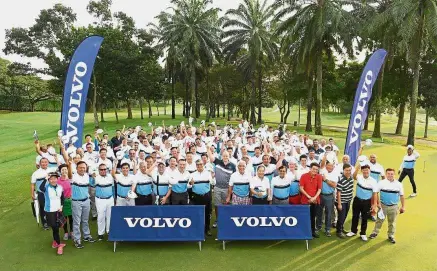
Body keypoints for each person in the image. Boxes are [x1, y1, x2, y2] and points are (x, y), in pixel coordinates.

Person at [369, 168, 406, 244]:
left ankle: (391, 235)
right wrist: (376, 204)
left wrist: (403, 206)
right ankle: (375, 232)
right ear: (386, 174)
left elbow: (402, 196)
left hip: (394, 206)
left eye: (392, 174)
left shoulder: (399, 184)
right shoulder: (381, 183)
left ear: (394, 175)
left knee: (392, 222)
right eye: (388, 174)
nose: (390, 175)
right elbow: (375, 193)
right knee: (379, 220)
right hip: (382, 206)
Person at [346, 163, 378, 241]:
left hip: (366, 202)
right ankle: (353, 231)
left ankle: (363, 233)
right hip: (357, 200)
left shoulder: (373, 181)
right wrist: (358, 167)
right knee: (355, 216)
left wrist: (374, 205)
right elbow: (353, 176)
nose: (365, 171)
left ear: (369, 170)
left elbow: (375, 194)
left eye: (367, 170)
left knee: (364, 218)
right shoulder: (359, 177)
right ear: (362, 171)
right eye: (364, 170)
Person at [68, 160, 96, 248]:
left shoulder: (87, 176)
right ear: (76, 169)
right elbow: (69, 175)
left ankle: (86, 236)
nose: (82, 169)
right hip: (76, 201)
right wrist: (69, 165)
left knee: (85, 220)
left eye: (84, 167)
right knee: (77, 221)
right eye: (80, 167)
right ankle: (77, 239)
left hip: (86, 201)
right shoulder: (73, 177)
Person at [207, 147, 236, 228]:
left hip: (227, 188)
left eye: (227, 156)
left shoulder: (233, 166)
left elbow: (234, 177)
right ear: (222, 156)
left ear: (229, 156)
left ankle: (226, 219)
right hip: (217, 187)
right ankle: (217, 220)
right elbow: (211, 157)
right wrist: (207, 147)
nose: (225, 157)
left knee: (226, 204)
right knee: (217, 205)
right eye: (224, 156)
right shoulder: (218, 162)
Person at [40, 172, 66, 255]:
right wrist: (45, 179)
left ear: (57, 179)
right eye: (51, 179)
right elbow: (40, 187)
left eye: (55, 178)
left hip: (58, 210)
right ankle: (58, 244)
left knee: (57, 226)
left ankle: (55, 242)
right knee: (54, 227)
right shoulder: (46, 188)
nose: (53, 180)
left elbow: (62, 198)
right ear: (49, 180)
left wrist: (61, 206)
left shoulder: (60, 187)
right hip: (49, 211)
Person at [189, 160, 215, 236]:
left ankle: (207, 229)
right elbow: (189, 185)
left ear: (203, 165)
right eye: (198, 165)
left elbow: (213, 183)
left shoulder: (208, 174)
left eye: (201, 164)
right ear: (196, 166)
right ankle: (197, 229)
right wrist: (191, 183)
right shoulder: (192, 174)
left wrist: (212, 178)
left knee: (207, 213)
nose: (199, 166)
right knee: (197, 213)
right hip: (196, 196)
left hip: (206, 196)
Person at [31, 158, 55, 230]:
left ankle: (51, 221)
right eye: (42, 162)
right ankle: (45, 223)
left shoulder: (52, 170)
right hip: (41, 193)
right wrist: (32, 194)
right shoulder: (36, 173)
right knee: (43, 208)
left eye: (46, 162)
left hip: (51, 192)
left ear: (48, 163)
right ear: (40, 163)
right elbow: (32, 184)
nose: (44, 164)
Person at [299, 162, 322, 238]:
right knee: (305, 217)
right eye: (313, 169)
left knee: (313, 217)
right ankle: (303, 231)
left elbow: (319, 189)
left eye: (316, 169)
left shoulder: (319, 177)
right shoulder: (303, 176)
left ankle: (312, 231)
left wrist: (314, 198)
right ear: (310, 168)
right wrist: (309, 197)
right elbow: (301, 188)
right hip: (305, 200)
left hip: (315, 200)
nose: (315, 171)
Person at [316, 161, 338, 237]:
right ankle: (318, 226)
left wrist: (325, 180)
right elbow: (321, 165)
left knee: (328, 213)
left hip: (329, 196)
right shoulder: (323, 171)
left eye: (331, 166)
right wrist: (329, 182)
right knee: (319, 212)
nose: (329, 167)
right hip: (320, 195)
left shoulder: (335, 174)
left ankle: (327, 229)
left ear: (333, 167)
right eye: (328, 165)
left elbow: (334, 185)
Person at [94, 163, 114, 241]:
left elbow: (113, 188)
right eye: (101, 169)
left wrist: (114, 198)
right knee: (101, 216)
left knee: (109, 216)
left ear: (107, 170)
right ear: (99, 170)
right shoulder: (96, 177)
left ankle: (108, 231)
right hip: (100, 199)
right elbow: (92, 184)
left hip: (110, 199)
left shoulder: (110, 177)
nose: (103, 171)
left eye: (104, 169)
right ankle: (100, 233)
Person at [336, 164, 354, 238]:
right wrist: (339, 204)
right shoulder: (341, 179)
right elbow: (338, 193)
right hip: (342, 201)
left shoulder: (351, 177)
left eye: (349, 170)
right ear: (343, 170)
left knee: (345, 215)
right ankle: (339, 231)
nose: (348, 172)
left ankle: (341, 228)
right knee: (341, 216)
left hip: (348, 200)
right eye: (346, 170)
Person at [57, 165, 73, 240]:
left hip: (71, 200)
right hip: (62, 201)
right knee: (64, 218)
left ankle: (72, 232)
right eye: (62, 170)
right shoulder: (58, 181)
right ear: (60, 171)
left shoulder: (71, 179)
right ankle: (66, 232)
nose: (64, 171)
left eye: (65, 169)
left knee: (71, 217)